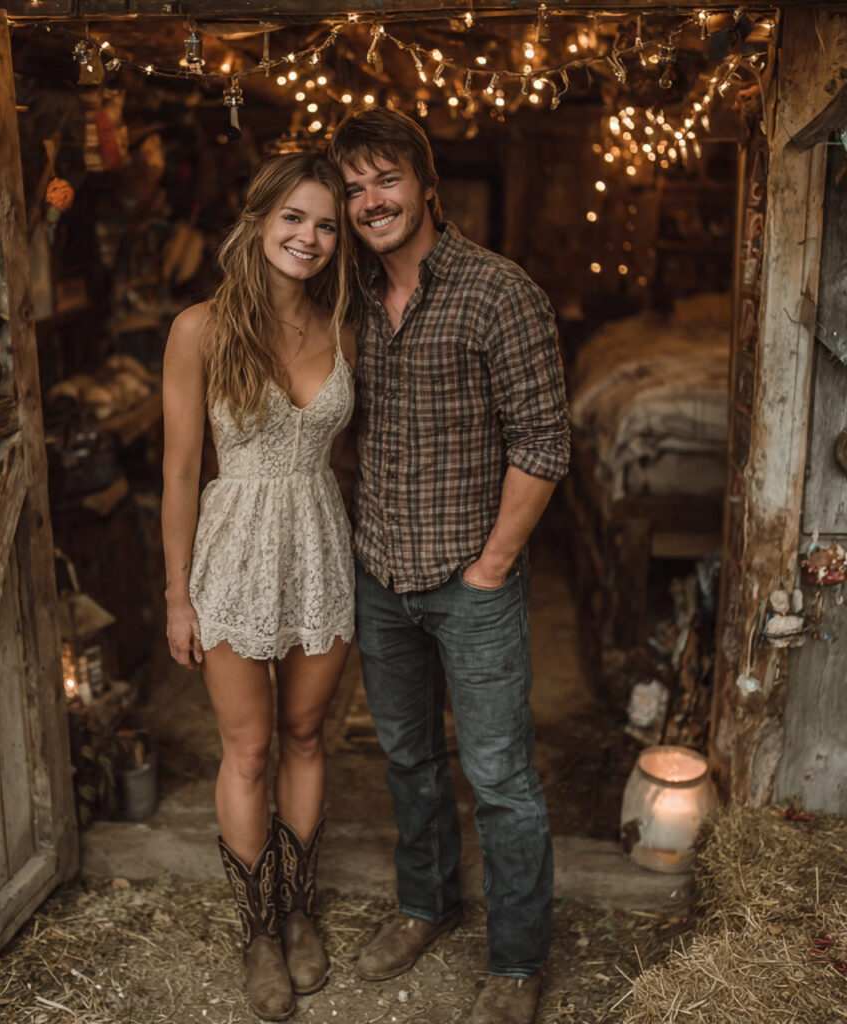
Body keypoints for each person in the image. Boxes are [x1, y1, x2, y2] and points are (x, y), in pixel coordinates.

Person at [328, 108, 570, 1024]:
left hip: (474, 583)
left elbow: (546, 441)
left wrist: (493, 565)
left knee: (502, 778)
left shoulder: (498, 291)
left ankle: (516, 962)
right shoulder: (349, 294)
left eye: (383, 180)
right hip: (380, 572)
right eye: (353, 189)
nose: (367, 202)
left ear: (427, 187)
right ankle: (425, 905)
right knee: (407, 759)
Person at [161, 152, 357, 1021]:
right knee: (248, 748)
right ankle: (257, 931)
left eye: (325, 224)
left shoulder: (342, 322)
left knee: (308, 734)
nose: (309, 238)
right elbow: (176, 473)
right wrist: (177, 595)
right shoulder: (199, 328)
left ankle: (300, 906)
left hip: (319, 544)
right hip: (233, 551)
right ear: (259, 219)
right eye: (294, 219)